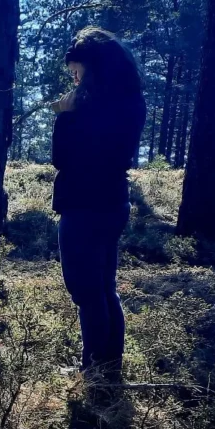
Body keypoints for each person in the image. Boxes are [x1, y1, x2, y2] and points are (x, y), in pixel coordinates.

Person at [50, 26, 147, 383]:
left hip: (83, 205)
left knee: (86, 290)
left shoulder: (87, 107)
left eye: (76, 69)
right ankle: (107, 367)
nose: (73, 76)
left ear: (92, 65)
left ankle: (94, 371)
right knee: (104, 288)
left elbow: (64, 158)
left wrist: (65, 116)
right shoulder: (131, 101)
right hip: (113, 202)